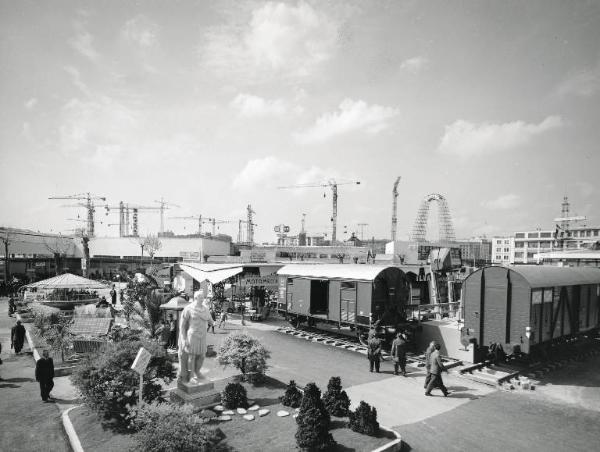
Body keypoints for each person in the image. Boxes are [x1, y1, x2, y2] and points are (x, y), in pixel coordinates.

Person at [178, 287, 214, 383]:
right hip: (192, 335)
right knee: (192, 356)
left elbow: (211, 321)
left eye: (203, 297)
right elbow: (182, 326)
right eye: (200, 298)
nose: (202, 299)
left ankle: (197, 371)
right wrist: (184, 339)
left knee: (202, 356)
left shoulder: (205, 309)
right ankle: (191, 376)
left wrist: (213, 322)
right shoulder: (188, 309)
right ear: (196, 298)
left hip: (202, 336)